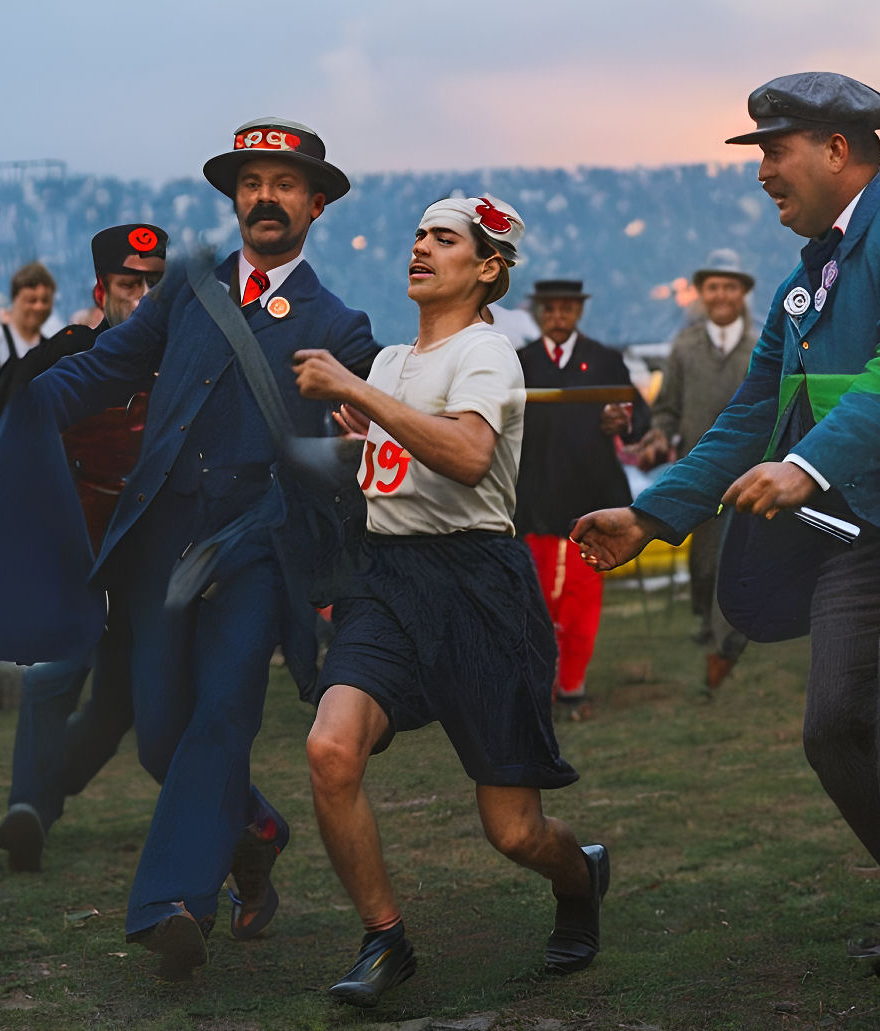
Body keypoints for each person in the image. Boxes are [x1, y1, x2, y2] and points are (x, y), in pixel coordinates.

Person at [571, 72, 880, 979]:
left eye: (775, 149)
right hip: (877, 511)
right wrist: (652, 513)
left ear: (838, 151)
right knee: (834, 719)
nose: (761, 170)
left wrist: (804, 466)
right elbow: (751, 410)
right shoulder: (809, 280)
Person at [0, 117, 379, 980]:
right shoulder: (187, 288)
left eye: (284, 182)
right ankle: (255, 838)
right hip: (155, 550)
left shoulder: (341, 323)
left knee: (221, 714)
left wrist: (361, 426)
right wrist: (36, 400)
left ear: (316, 204)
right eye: (250, 182)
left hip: (256, 551)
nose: (264, 196)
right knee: (158, 738)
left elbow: (358, 434)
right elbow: (107, 366)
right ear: (233, 197)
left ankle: (173, 904)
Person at [293, 193, 607, 1009]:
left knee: (515, 831)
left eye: (444, 239)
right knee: (330, 751)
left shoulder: (488, 353)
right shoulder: (394, 359)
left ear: (489, 267)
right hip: (387, 581)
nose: (421, 248)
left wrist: (360, 397)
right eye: (419, 235)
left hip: (479, 587)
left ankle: (579, 880)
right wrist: (352, 439)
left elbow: (468, 456)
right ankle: (384, 939)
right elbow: (394, 455)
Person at [0, 224, 168, 873]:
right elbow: (0, 406)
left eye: (154, 283)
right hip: (78, 552)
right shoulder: (73, 354)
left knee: (118, 707)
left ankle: (42, 798)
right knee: (53, 676)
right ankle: (28, 809)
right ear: (102, 290)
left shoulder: (182, 364)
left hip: (149, 564)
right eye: (129, 283)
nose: (144, 297)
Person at [514, 279, 649, 717]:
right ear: (539, 313)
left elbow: (638, 417)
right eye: (549, 309)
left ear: (578, 312)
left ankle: (573, 687)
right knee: (536, 602)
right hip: (535, 500)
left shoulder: (605, 361)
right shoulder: (521, 363)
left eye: (565, 309)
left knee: (582, 602)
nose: (557, 317)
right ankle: (540, 687)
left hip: (592, 501)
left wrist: (622, 421)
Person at [636, 250, 758, 689]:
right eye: (713, 287)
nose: (721, 294)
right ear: (702, 293)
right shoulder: (684, 346)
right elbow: (666, 409)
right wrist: (657, 435)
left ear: (743, 292)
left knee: (743, 557)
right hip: (698, 471)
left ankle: (731, 638)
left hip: (752, 471)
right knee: (704, 562)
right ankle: (708, 622)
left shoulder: (764, 345)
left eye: (730, 286)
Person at [0, 262, 57, 369]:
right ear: (15, 300)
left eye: (45, 301)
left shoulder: (49, 348)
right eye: (32, 300)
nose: (39, 307)